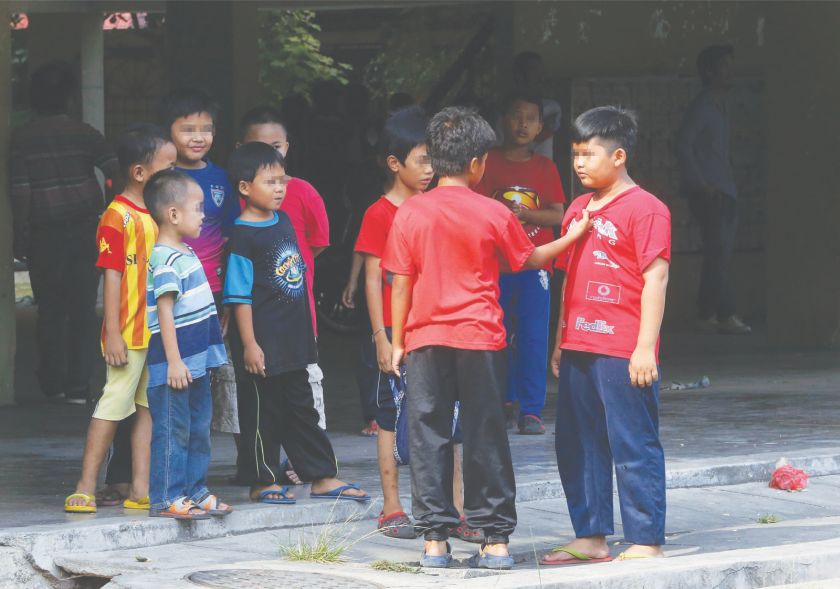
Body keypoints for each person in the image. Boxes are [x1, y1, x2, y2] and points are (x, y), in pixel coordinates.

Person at [383, 106, 591, 569]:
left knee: (428, 436)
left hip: (424, 338)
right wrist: (574, 234)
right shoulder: (493, 211)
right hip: (480, 338)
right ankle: (494, 540)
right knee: (485, 435)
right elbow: (531, 259)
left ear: (434, 160)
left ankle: (434, 542)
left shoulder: (411, 212)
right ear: (479, 164)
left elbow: (401, 280)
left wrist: (399, 341)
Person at [541, 106, 670, 565]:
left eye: (587, 154)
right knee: (577, 443)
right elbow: (567, 278)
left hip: (622, 348)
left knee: (632, 442)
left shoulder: (647, 208)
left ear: (618, 156)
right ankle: (591, 536)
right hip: (578, 344)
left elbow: (656, 279)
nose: (578, 163)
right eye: (574, 154)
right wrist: (560, 338)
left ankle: (646, 538)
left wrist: (644, 347)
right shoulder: (576, 209)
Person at [223, 142, 370, 505]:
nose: (279, 189)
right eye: (270, 182)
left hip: (294, 340)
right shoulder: (242, 237)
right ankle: (262, 480)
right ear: (244, 188)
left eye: (282, 181)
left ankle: (321, 475)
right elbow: (238, 296)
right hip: (261, 344)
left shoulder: (284, 221)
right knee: (263, 414)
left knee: (303, 410)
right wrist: (250, 345)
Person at [354, 106, 476, 542]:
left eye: (434, 160)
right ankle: (391, 506)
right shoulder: (379, 213)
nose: (430, 170)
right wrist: (381, 337)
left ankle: (457, 508)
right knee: (391, 417)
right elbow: (374, 278)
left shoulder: (435, 207)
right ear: (395, 163)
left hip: (433, 326)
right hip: (394, 328)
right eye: (422, 160)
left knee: (452, 417)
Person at [64, 125, 177, 513]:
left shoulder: (159, 214)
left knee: (147, 409)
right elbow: (111, 276)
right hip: (127, 333)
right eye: (169, 166)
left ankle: (140, 488)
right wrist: (112, 331)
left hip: (156, 331)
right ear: (140, 173)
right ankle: (85, 485)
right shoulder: (118, 216)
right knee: (112, 406)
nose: (174, 174)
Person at [10, 61, 121, 404]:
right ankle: (78, 385)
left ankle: (52, 382)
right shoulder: (83, 132)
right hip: (86, 228)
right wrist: (109, 209)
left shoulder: (22, 139)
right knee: (83, 309)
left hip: (45, 232)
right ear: (69, 98)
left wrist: (19, 233)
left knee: (51, 309)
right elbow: (115, 169)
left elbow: (21, 191)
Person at [476, 93, 567, 435]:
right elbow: (479, 207)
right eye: (516, 116)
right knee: (496, 336)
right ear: (503, 121)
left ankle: (531, 410)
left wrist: (523, 214)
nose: (523, 124)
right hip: (495, 265)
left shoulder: (545, 167)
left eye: (531, 118)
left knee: (532, 337)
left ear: (541, 128)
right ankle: (503, 400)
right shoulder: (488, 162)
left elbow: (557, 214)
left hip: (535, 266)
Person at [144, 169, 231, 519]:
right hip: (175, 367)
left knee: (198, 430)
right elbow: (164, 313)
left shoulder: (187, 252)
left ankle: (196, 490)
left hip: (195, 363)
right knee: (172, 431)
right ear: (173, 214)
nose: (203, 215)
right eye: (197, 208)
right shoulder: (164, 259)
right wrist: (174, 361)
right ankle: (167, 497)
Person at [238, 106, 330, 432]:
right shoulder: (241, 196)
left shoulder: (303, 192)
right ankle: (259, 459)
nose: (270, 156)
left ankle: (303, 459)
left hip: (298, 315)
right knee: (256, 393)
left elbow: (316, 245)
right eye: (259, 148)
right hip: (256, 318)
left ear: (287, 147)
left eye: (276, 147)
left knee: (303, 388)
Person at [159, 88, 241, 441]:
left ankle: (246, 460)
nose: (198, 137)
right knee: (175, 373)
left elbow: (230, 236)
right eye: (187, 129)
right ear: (169, 132)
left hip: (215, 289)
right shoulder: (161, 181)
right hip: (172, 289)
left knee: (222, 374)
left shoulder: (222, 179)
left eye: (205, 129)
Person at [676, 44, 750, 335]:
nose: (730, 71)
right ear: (709, 71)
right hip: (712, 192)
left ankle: (709, 313)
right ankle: (723, 313)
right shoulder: (704, 105)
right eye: (724, 66)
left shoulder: (721, 104)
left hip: (725, 188)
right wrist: (701, 184)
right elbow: (683, 144)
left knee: (719, 254)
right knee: (718, 253)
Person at [510, 52, 563, 161]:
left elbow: (539, 136)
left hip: (541, 173)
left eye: (541, 72)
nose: (541, 77)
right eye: (534, 71)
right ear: (519, 76)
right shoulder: (504, 110)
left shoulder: (552, 108)